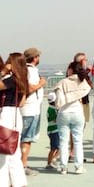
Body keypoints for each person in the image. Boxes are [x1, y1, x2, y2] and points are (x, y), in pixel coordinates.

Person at [54, 61, 91, 175]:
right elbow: (87, 89)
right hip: (77, 112)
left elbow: (58, 100)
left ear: (71, 70)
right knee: (78, 141)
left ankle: (63, 167)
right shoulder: (82, 82)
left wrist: (60, 104)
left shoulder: (62, 82)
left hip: (64, 113)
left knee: (64, 141)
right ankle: (78, 167)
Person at [0, 53, 28, 187]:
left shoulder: (10, 80)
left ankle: (3, 182)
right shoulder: (22, 80)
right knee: (14, 152)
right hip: (16, 115)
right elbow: (22, 103)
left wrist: (3, 71)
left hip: (5, 114)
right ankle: (19, 182)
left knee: (3, 153)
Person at [20, 47, 46, 177]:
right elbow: (29, 88)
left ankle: (21, 163)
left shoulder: (26, 70)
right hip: (30, 109)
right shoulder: (30, 71)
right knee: (26, 139)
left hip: (29, 108)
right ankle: (22, 165)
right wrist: (41, 83)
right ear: (35, 58)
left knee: (25, 138)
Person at [45, 93, 59, 170]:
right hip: (54, 130)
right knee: (56, 148)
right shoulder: (52, 109)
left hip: (53, 130)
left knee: (55, 147)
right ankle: (50, 162)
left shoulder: (51, 108)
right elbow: (55, 120)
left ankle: (52, 161)